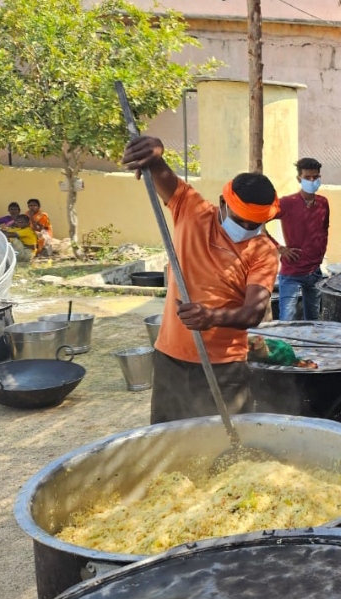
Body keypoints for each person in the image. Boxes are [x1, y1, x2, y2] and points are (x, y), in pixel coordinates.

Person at [122, 135, 280, 425]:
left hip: (225, 367)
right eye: (240, 218)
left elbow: (254, 312)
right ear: (223, 203)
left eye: (254, 224)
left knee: (225, 443)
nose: (246, 228)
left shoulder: (263, 251)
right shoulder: (192, 211)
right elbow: (161, 172)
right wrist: (155, 154)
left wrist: (213, 316)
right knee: (168, 437)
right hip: (171, 356)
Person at [267, 157, 330, 321]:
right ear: (299, 179)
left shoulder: (323, 203)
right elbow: (259, 223)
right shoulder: (287, 203)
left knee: (314, 321)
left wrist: (320, 254)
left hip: (315, 272)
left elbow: (324, 230)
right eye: (308, 177)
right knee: (287, 320)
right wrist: (280, 248)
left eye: (316, 177)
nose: (312, 180)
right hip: (291, 273)